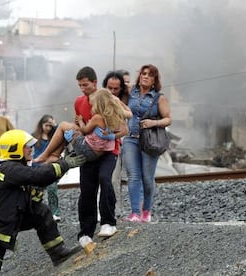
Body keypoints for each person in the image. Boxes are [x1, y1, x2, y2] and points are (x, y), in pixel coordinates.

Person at [0, 129, 86, 274]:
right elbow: (36, 176)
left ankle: (58, 253)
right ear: (14, 149)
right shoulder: (8, 168)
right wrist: (64, 164)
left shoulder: (16, 168)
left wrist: (59, 166)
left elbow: (36, 181)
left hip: (10, 217)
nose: (31, 149)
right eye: (27, 146)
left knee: (41, 212)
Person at [73, 66, 128, 254]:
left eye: (85, 85)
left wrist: (111, 135)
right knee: (87, 189)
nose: (83, 88)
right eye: (80, 85)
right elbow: (80, 124)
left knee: (105, 180)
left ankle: (108, 221)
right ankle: (85, 231)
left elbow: (125, 121)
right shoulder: (79, 102)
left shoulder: (107, 98)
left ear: (95, 83)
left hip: (109, 152)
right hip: (90, 152)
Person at [122, 64, 172, 223]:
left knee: (147, 178)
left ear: (154, 80)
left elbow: (168, 119)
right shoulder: (131, 92)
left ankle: (147, 210)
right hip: (131, 139)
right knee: (133, 176)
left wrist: (153, 123)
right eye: (143, 74)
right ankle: (135, 212)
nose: (145, 76)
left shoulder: (159, 97)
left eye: (149, 75)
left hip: (149, 141)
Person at [33, 88, 128, 164]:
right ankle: (54, 155)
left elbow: (85, 130)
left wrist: (81, 121)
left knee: (63, 126)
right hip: (99, 153)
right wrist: (111, 136)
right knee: (68, 130)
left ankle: (45, 155)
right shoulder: (115, 117)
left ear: (98, 104)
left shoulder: (98, 117)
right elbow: (125, 130)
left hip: (87, 150)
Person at [102, 70, 132, 217]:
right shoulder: (98, 98)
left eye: (116, 89)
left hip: (114, 144)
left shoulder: (119, 101)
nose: (112, 91)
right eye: (110, 88)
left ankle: (114, 210)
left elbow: (128, 114)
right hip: (96, 144)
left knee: (114, 179)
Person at [32, 114, 62, 222]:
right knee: (35, 192)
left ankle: (54, 212)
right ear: (41, 125)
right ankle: (34, 214)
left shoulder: (54, 137)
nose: (48, 128)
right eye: (46, 125)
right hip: (36, 168)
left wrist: (55, 124)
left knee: (52, 189)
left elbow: (60, 129)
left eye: (51, 126)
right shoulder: (34, 137)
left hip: (49, 168)